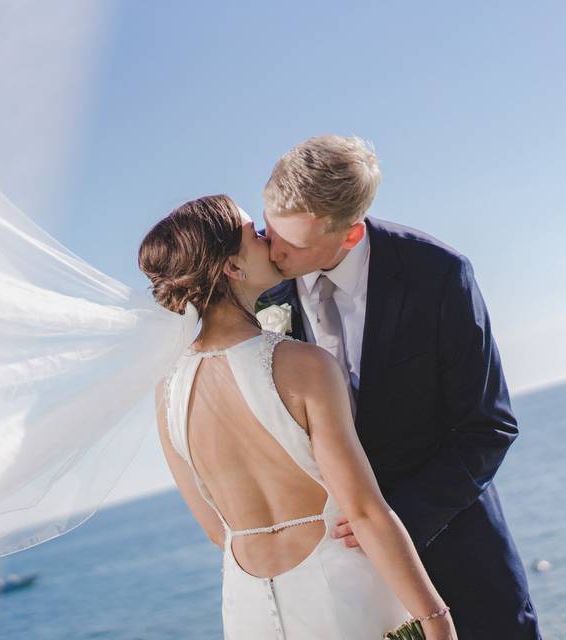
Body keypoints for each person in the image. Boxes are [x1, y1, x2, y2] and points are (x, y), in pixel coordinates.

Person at [258, 135, 542, 638]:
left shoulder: (438, 274)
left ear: (348, 235)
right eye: (269, 228)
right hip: (337, 577)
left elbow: (488, 428)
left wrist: (396, 519)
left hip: (454, 552)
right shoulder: (262, 290)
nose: (272, 250)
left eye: (293, 243)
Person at [138, 194, 458, 640]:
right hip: (341, 593)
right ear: (233, 267)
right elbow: (366, 512)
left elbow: (216, 530)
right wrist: (436, 620)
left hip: (246, 608)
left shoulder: (166, 387)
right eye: (254, 233)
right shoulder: (304, 365)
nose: (267, 237)